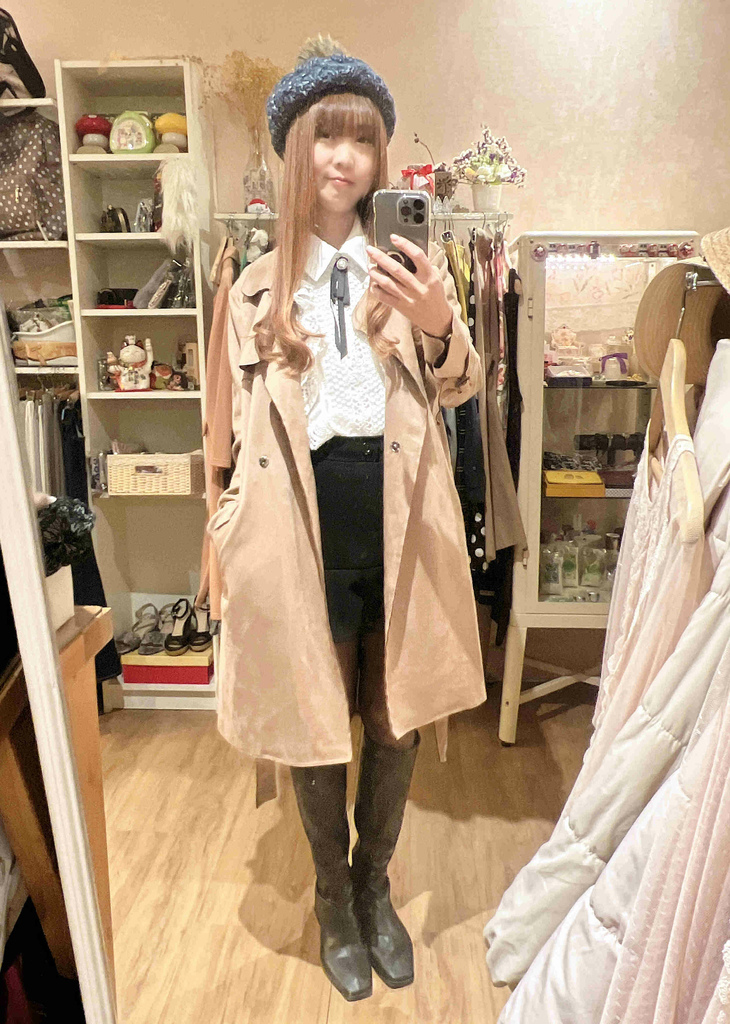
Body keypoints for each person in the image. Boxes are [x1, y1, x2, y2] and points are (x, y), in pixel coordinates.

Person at [207, 36, 486, 1002]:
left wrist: (440, 319)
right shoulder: (251, 286)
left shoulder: (410, 270)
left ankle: (376, 889)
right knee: (316, 723)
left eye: (363, 141)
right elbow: (223, 433)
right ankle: (332, 899)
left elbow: (464, 388)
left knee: (394, 719)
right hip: (295, 528)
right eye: (326, 137)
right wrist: (223, 540)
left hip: (399, 520)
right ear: (296, 150)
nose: (345, 159)